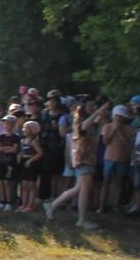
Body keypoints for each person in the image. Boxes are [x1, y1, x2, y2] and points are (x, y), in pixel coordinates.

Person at [44, 97, 109, 230]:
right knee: (84, 189)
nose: (93, 108)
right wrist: (97, 113)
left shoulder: (88, 121)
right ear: (83, 108)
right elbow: (84, 127)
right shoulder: (79, 122)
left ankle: (52, 206)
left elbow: (95, 127)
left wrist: (101, 115)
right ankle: (81, 220)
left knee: (79, 188)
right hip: (83, 158)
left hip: (88, 158)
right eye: (90, 105)